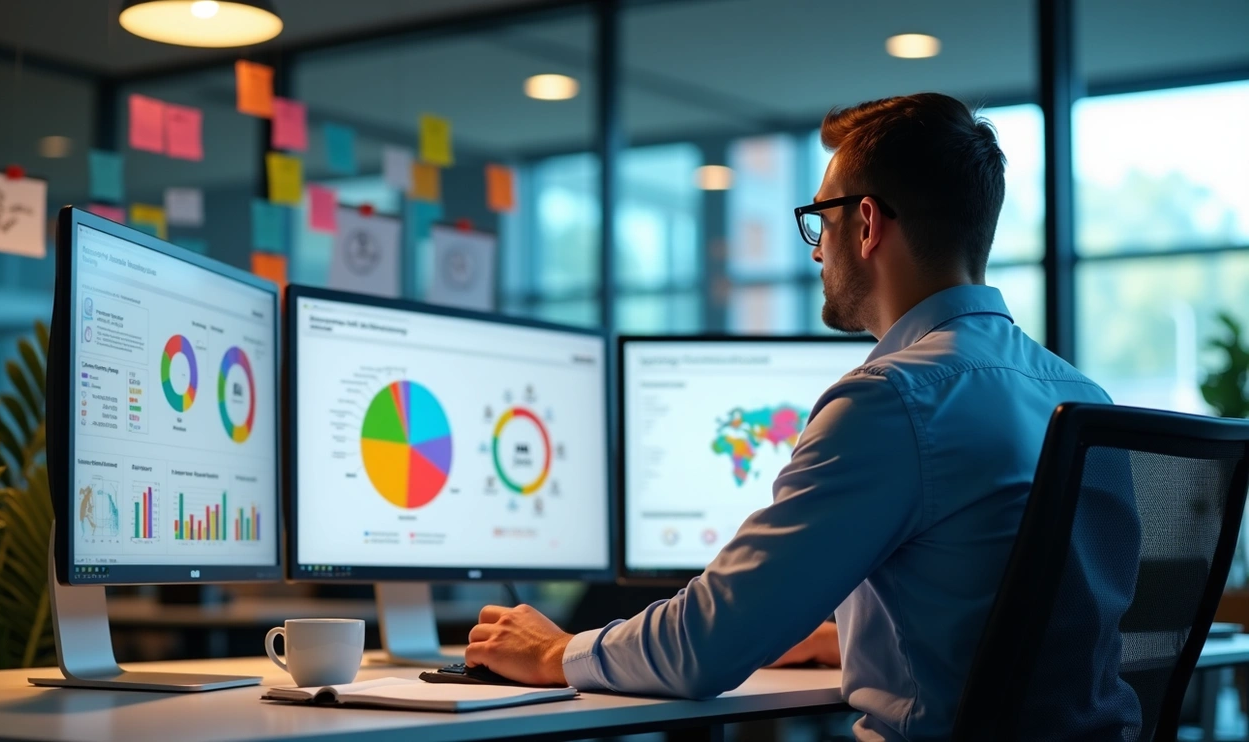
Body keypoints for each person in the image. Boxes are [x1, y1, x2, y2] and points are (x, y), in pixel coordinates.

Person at [464, 93, 1141, 740]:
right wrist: (838, 636)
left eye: (821, 221)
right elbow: (1024, 625)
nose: (816, 250)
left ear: (868, 224)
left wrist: (558, 653)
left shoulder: (893, 400)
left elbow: (707, 648)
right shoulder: (1081, 396)